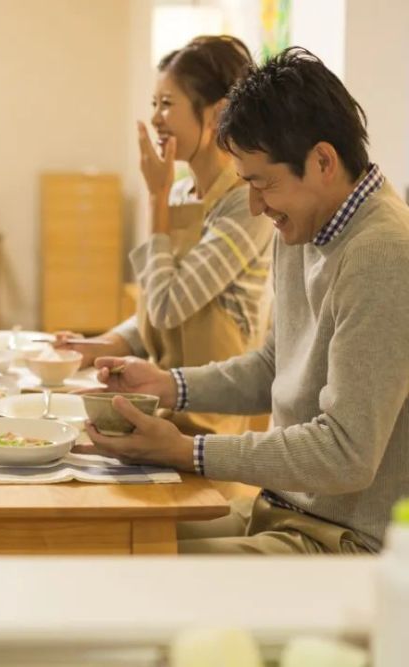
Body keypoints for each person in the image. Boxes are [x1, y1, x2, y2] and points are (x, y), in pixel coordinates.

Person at [81, 47, 409, 554]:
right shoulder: (303, 225)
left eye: (263, 183)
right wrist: (171, 386)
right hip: (279, 510)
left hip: (344, 541)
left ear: (323, 160)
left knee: (137, 569)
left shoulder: (384, 252)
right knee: (100, 536)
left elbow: (348, 453)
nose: (256, 205)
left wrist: (193, 452)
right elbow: (274, 366)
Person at [58, 36, 274, 436]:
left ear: (217, 114)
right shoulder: (180, 193)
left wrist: (155, 198)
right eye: (154, 103)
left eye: (168, 104)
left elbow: (168, 306)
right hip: (160, 408)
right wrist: (108, 342)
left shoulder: (246, 205)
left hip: (210, 426)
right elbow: (162, 304)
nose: (156, 118)